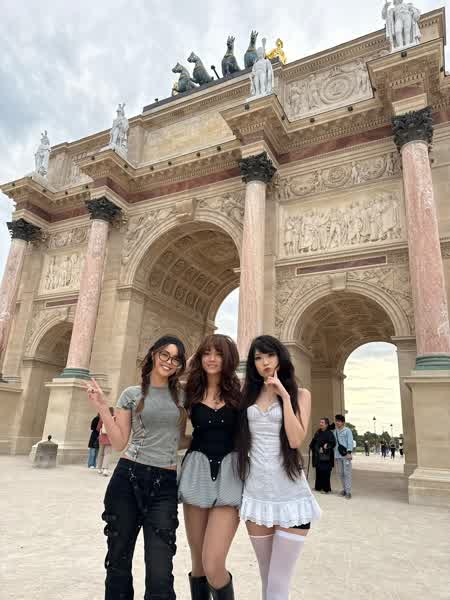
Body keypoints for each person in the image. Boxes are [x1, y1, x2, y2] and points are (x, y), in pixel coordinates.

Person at [85, 335, 187, 600]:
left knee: (160, 571)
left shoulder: (182, 396)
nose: (169, 362)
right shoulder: (131, 394)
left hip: (165, 484)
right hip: (128, 478)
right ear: (153, 354)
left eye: (176, 359)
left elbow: (181, 438)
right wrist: (102, 407)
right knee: (118, 561)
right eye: (165, 354)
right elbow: (120, 442)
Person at [237, 335, 321, 600]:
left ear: (281, 357)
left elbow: (296, 440)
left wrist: (284, 396)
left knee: (278, 582)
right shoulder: (247, 393)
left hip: (291, 495)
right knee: (267, 577)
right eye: (258, 358)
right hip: (257, 494)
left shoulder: (301, 395)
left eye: (270, 355)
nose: (265, 362)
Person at [178, 334, 242, 600]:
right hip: (197, 472)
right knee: (199, 564)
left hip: (230, 476)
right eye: (206, 353)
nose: (212, 359)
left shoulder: (240, 393)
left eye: (218, 353)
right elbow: (179, 437)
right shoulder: (188, 392)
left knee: (214, 563)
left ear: (229, 358)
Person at [309, 418, 336, 493]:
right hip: (318, 456)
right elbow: (314, 440)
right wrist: (311, 446)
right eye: (320, 422)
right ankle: (318, 487)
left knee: (325, 472)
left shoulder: (330, 433)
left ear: (326, 424)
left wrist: (326, 446)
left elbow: (333, 443)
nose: (320, 424)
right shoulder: (318, 432)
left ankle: (326, 489)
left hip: (326, 456)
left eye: (322, 422)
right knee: (318, 471)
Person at [334, 414, 354, 499]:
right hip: (338, 455)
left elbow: (350, 442)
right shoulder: (335, 432)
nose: (337, 423)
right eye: (336, 421)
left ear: (343, 422)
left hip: (346, 455)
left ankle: (348, 492)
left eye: (339, 421)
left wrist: (349, 452)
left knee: (347, 473)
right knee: (341, 473)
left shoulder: (347, 431)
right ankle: (344, 489)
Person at [97, 407, 114, 476]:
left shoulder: (102, 417)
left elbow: (98, 428)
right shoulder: (114, 418)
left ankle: (99, 468)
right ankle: (105, 469)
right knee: (107, 454)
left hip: (102, 438)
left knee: (101, 453)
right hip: (110, 438)